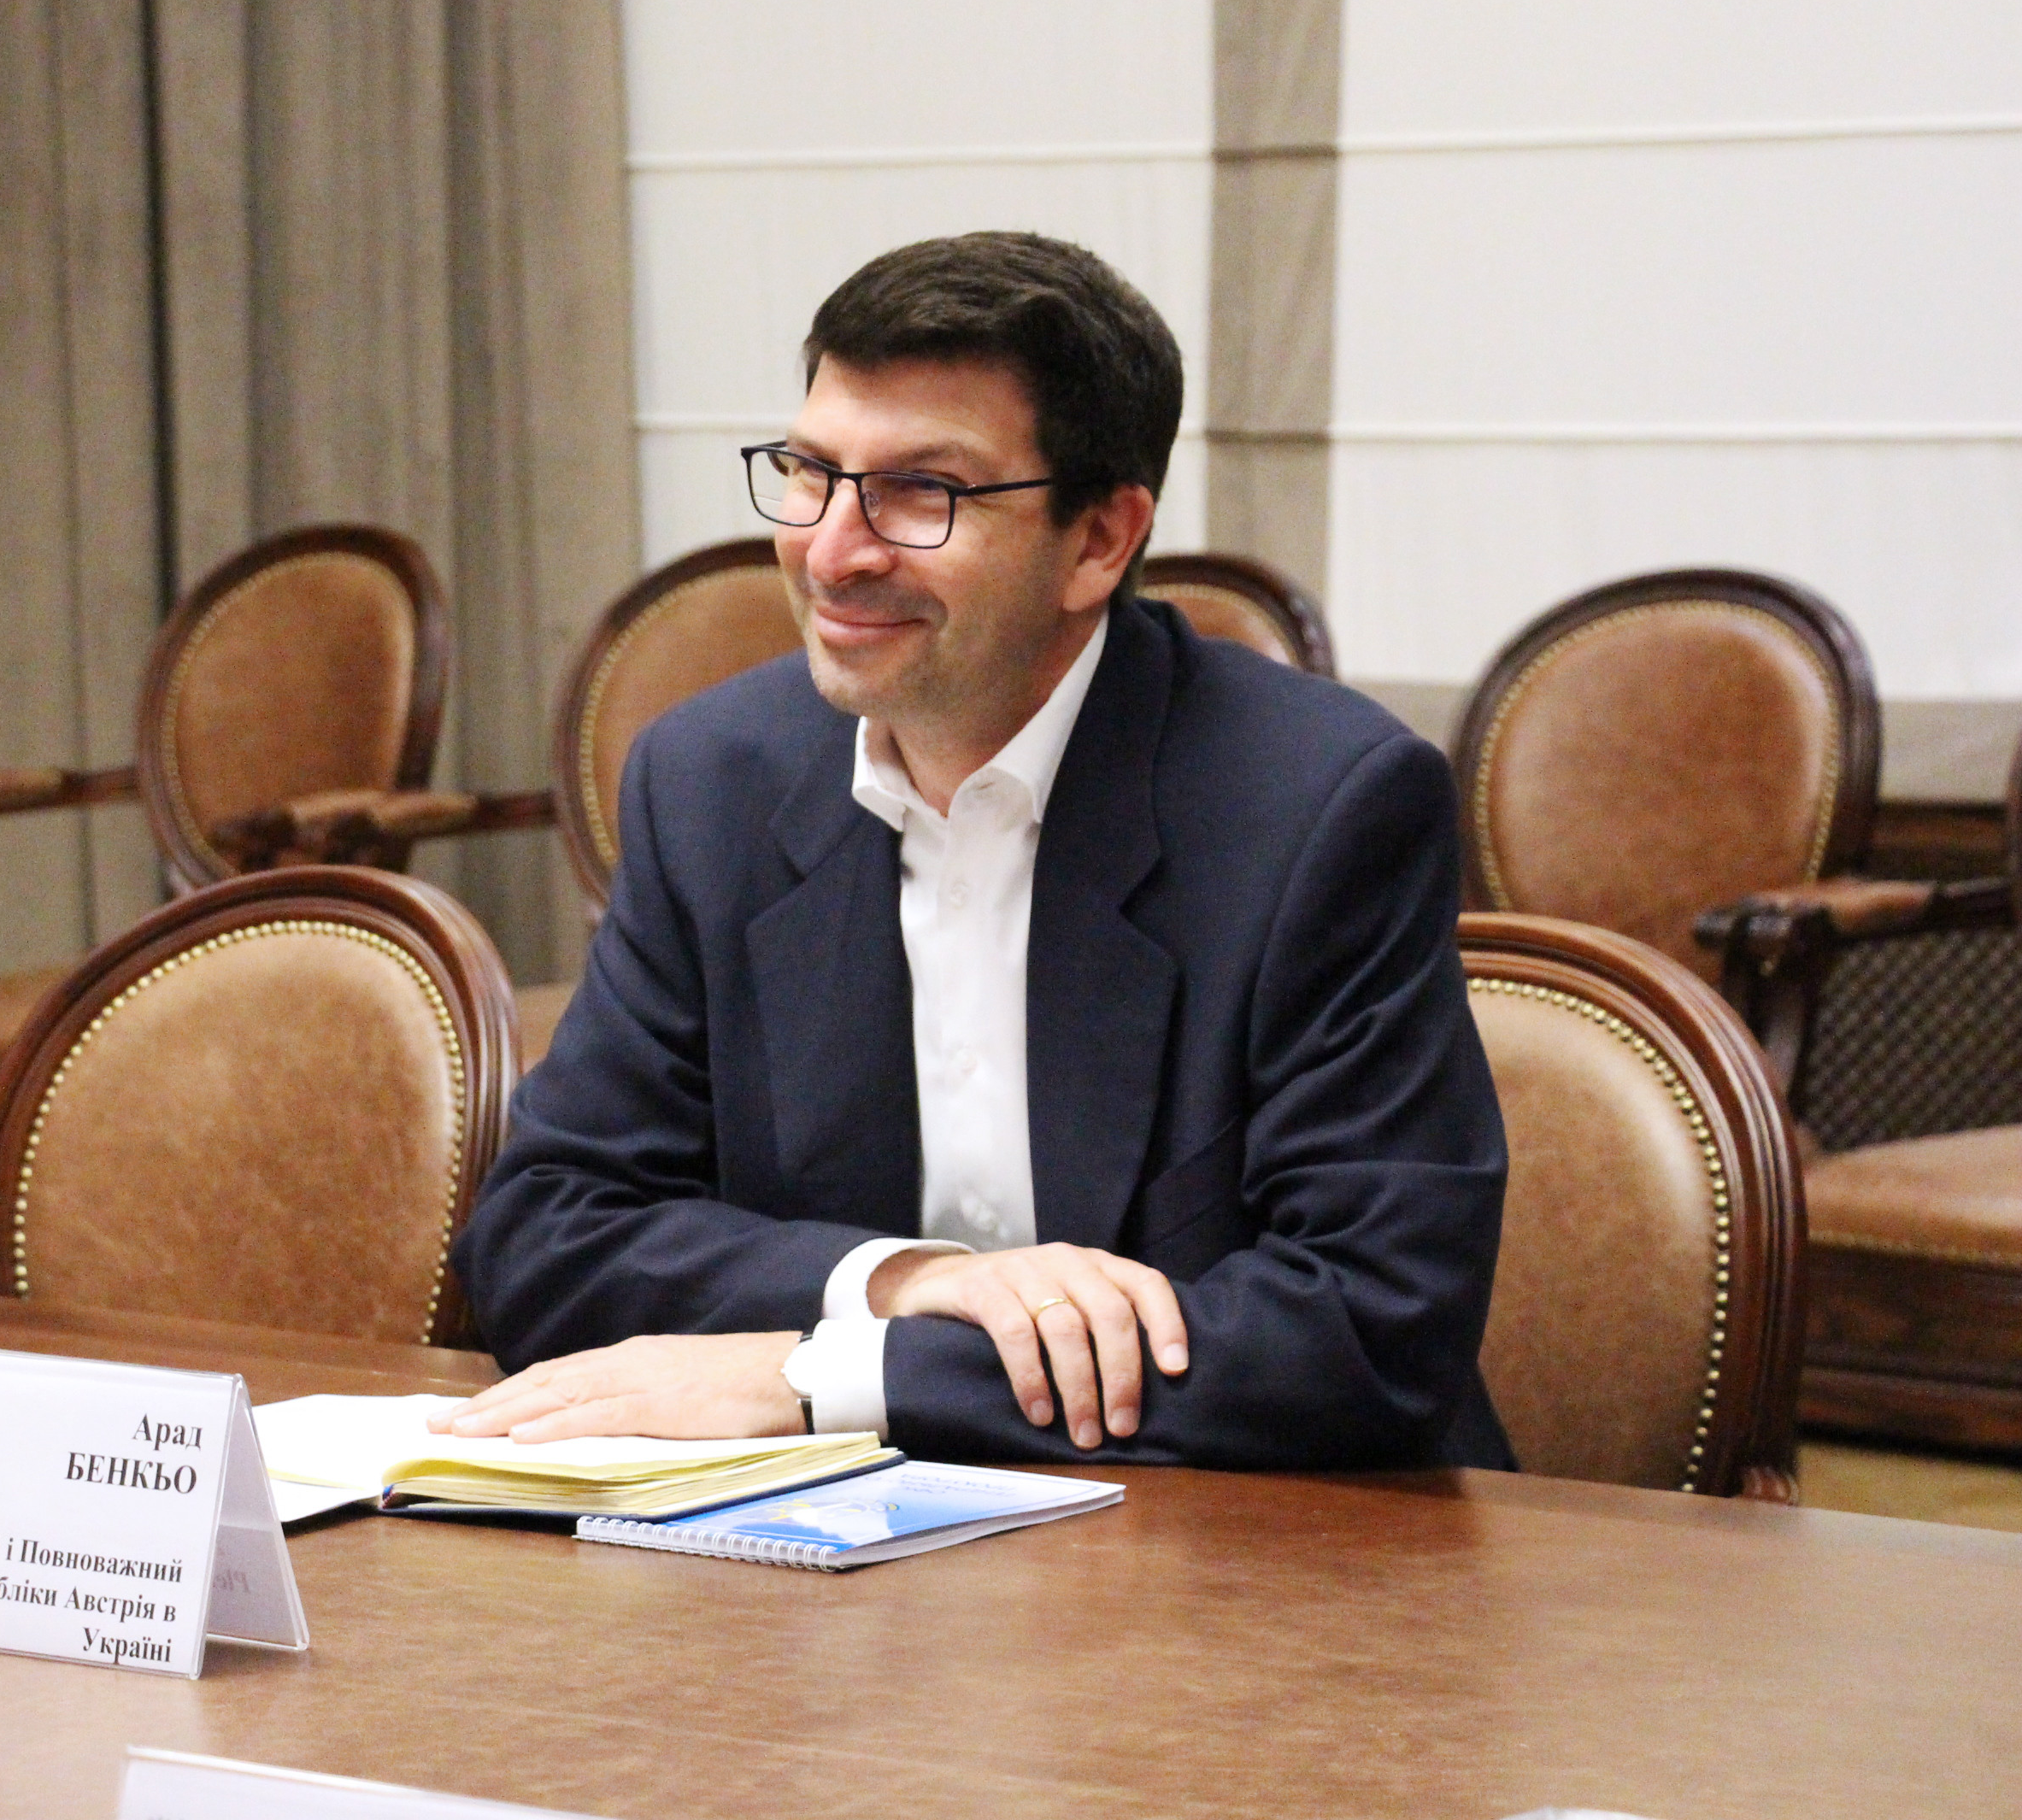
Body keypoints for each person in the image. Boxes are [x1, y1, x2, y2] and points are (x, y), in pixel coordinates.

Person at [438, 232, 1512, 1470]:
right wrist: (899, 1282)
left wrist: (830, 1378)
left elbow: (1370, 1327)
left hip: (1255, 1544)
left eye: (920, 492)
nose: (831, 550)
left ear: (1099, 540)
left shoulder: (1320, 807)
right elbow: (544, 1237)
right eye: (810, 472)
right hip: (829, 1553)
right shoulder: (712, 782)